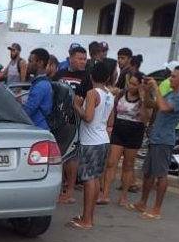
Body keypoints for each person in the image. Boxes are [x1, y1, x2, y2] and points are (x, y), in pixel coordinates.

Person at [132, 65, 179, 220]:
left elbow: (164, 107)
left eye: (174, 76)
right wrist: (146, 91)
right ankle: (143, 203)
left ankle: (156, 209)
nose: (170, 78)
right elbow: (155, 105)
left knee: (161, 175)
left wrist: (156, 88)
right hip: (156, 137)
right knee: (148, 173)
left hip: (164, 139)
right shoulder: (172, 93)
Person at [68, 62, 115, 230]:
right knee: (94, 179)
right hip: (103, 139)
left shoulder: (92, 93)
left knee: (88, 180)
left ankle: (86, 220)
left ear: (90, 76)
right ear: (108, 77)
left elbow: (87, 117)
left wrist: (77, 106)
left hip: (90, 141)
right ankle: (89, 217)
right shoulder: (110, 95)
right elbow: (110, 121)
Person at [101, 72, 150, 206]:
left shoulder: (143, 99)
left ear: (140, 85)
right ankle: (105, 194)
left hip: (135, 131)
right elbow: (112, 108)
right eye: (130, 83)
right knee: (111, 163)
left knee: (128, 165)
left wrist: (143, 98)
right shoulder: (121, 94)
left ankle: (123, 197)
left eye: (135, 84)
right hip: (119, 128)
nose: (131, 86)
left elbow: (145, 119)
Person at [55, 45, 90, 204]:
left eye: (85, 59)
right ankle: (59, 187)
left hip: (76, 121)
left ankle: (70, 190)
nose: (83, 62)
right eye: (80, 58)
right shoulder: (60, 74)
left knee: (72, 156)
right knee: (59, 154)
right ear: (71, 58)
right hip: (58, 120)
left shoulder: (87, 77)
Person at [23, 48, 53, 130]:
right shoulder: (39, 82)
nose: (28, 64)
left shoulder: (41, 85)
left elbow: (27, 111)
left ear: (40, 63)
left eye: (30, 61)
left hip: (37, 130)